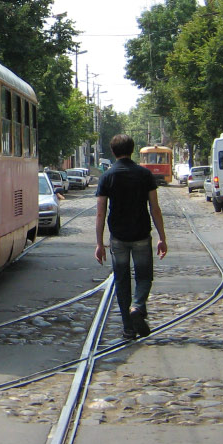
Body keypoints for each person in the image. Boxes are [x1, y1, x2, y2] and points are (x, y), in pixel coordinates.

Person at [94, 134, 168, 340]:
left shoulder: (107, 177)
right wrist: (162, 237)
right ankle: (138, 305)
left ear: (113, 151)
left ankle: (128, 328)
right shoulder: (145, 175)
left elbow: (101, 212)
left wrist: (99, 243)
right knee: (144, 277)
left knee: (122, 281)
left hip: (118, 237)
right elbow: (155, 208)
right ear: (132, 150)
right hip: (141, 235)